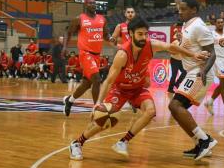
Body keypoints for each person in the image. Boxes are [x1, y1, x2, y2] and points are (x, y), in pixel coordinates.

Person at [69, 16, 209, 160]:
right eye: (140, 34)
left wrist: (194, 55)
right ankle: (77, 143)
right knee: (103, 122)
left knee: (151, 111)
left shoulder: (150, 45)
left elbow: (171, 47)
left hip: (138, 89)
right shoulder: (122, 54)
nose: (144, 38)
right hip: (120, 89)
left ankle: (123, 142)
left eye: (146, 34)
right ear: (130, 34)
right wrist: (98, 102)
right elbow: (109, 81)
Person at [166, 0, 218, 161]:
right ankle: (201, 143)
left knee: (175, 105)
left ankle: (205, 140)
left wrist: (203, 70)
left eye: (183, 10)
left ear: (193, 10)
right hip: (192, 71)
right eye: (179, 10)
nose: (180, 12)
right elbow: (181, 0)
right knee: (176, 108)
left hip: (199, 72)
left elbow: (212, 52)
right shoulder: (188, 23)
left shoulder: (198, 26)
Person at [63, 0, 111, 116]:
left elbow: (106, 34)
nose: (93, 4)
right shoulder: (79, 19)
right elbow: (67, 32)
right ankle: (97, 109)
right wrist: (65, 47)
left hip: (97, 55)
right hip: (85, 53)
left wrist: (111, 38)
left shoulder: (102, 19)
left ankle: (70, 100)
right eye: (90, 3)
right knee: (97, 79)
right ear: (85, 5)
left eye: (94, 3)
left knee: (87, 84)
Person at [168, 26, 187, 94]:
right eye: (178, 35)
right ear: (176, 36)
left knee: (185, 72)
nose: (179, 36)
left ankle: (177, 83)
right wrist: (175, 52)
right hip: (174, 60)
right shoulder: (174, 42)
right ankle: (170, 88)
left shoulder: (184, 42)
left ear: (182, 35)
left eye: (180, 34)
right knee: (174, 75)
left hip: (181, 60)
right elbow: (169, 51)